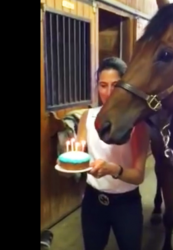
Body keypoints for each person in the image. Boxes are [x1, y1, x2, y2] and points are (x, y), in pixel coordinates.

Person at [60, 57, 149, 250]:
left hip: (126, 205)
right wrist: (69, 162)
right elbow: (79, 156)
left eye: (115, 85)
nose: (108, 93)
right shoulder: (88, 117)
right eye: (102, 85)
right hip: (93, 201)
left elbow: (138, 176)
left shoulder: (137, 124)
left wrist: (112, 169)